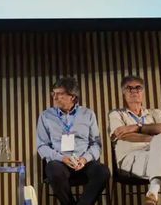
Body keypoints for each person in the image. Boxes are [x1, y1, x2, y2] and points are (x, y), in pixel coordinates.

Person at [109, 75, 161, 205]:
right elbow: (123, 135)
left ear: (143, 92)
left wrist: (137, 127)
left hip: (155, 157)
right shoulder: (117, 114)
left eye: (138, 88)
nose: (134, 91)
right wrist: (155, 138)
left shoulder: (155, 113)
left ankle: (152, 192)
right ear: (123, 93)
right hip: (130, 159)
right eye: (129, 88)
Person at [37, 77, 110, 205]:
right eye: (53, 93)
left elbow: (96, 144)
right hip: (60, 163)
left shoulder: (88, 114)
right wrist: (62, 158)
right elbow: (42, 146)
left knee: (103, 172)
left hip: (84, 162)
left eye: (59, 94)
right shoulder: (46, 116)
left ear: (73, 96)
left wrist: (85, 159)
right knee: (53, 169)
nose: (54, 97)